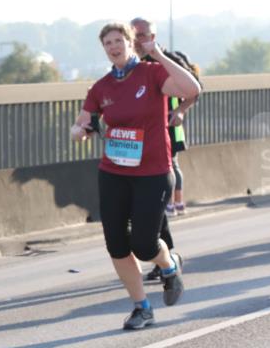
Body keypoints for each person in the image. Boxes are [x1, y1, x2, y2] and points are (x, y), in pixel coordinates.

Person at [71, 22, 200, 330]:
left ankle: (169, 266)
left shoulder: (151, 73)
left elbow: (192, 90)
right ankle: (141, 307)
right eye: (107, 43)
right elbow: (80, 125)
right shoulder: (100, 87)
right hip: (113, 173)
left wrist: (157, 54)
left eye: (118, 40)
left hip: (153, 173)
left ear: (130, 43)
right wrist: (79, 131)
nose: (113, 47)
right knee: (116, 244)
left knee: (143, 244)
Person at [130, 17, 200, 281]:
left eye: (145, 35)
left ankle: (165, 257)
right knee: (142, 205)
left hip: (163, 137)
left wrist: (180, 111)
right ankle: (164, 256)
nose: (140, 41)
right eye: (135, 36)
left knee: (154, 203)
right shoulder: (127, 63)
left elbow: (196, 88)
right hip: (135, 143)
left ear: (154, 35)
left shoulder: (165, 58)